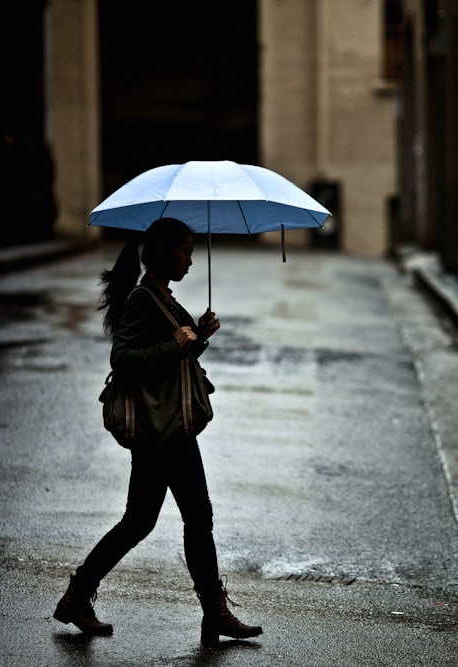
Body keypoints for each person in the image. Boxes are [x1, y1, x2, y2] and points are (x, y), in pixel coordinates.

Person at [53, 217, 262, 644]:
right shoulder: (142, 299)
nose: (189, 258)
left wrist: (199, 337)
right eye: (184, 251)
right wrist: (175, 345)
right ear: (164, 253)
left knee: (147, 520)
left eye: (190, 250)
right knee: (186, 517)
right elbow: (123, 359)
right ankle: (213, 613)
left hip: (170, 429)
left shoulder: (164, 298)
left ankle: (80, 596)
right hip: (162, 430)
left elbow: (174, 356)